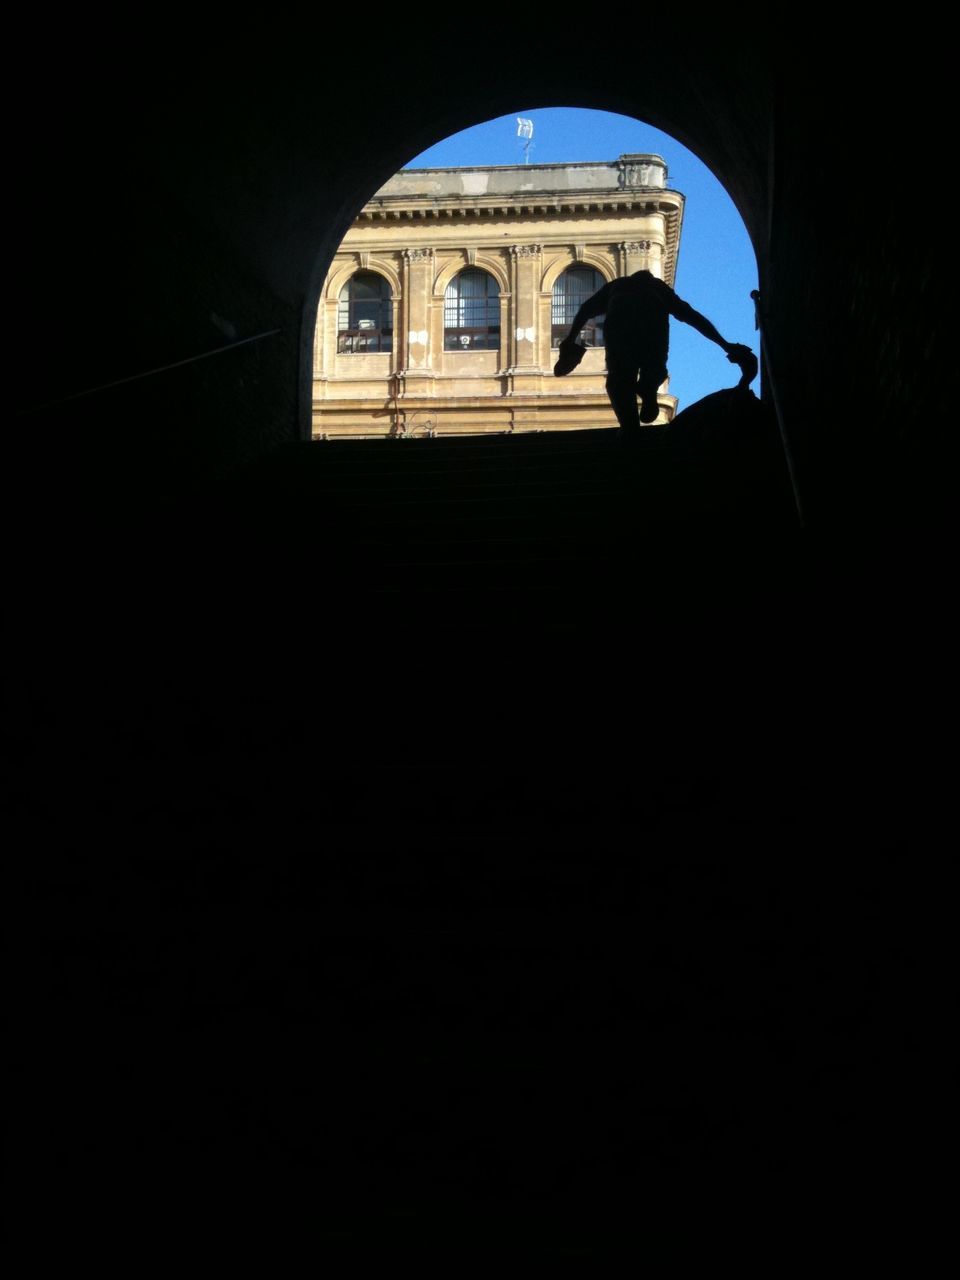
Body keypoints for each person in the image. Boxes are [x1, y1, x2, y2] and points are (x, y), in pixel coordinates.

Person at [554, 269, 756, 434]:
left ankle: (631, 429)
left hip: (619, 327)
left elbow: (585, 310)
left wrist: (571, 339)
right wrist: (724, 344)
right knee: (655, 368)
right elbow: (693, 317)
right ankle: (648, 387)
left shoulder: (617, 285)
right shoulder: (657, 287)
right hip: (651, 328)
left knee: (619, 380)